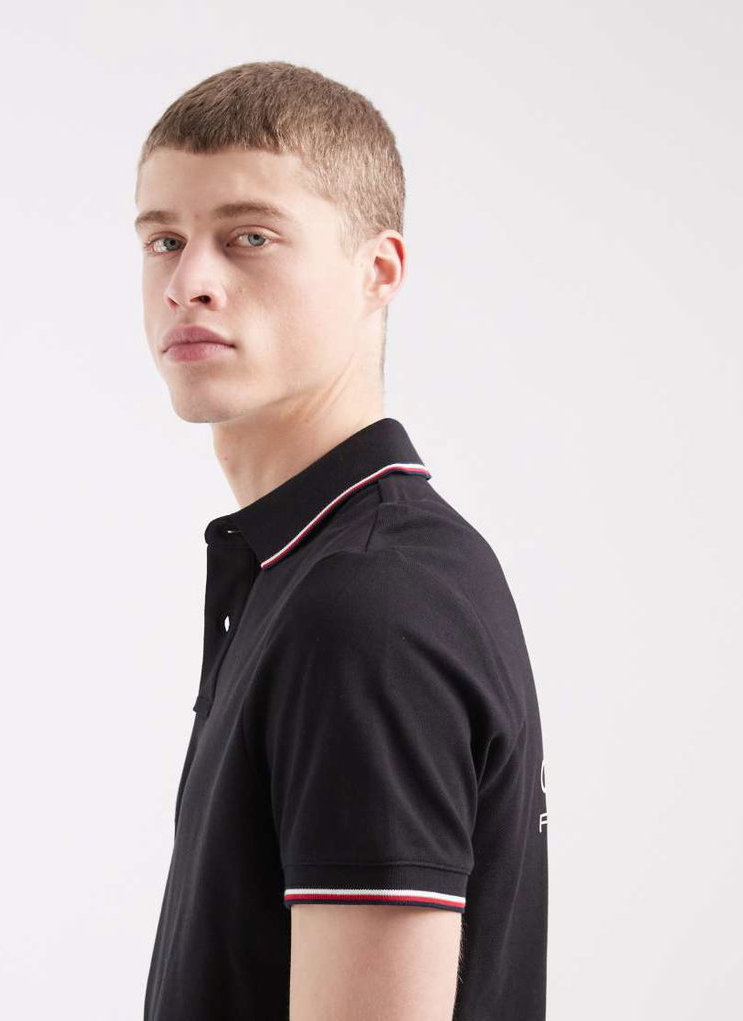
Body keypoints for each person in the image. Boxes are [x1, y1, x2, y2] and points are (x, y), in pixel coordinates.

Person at [134, 60, 548, 1020]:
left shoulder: (368, 604)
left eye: (250, 236)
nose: (190, 283)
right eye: (164, 240)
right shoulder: (315, 565)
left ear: (379, 271)